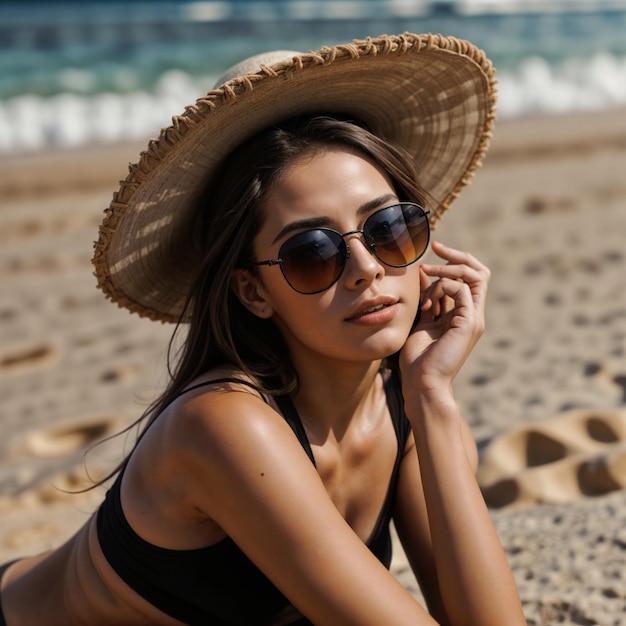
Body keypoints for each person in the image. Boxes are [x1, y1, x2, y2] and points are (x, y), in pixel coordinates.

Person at [0, 33, 526, 625]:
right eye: (312, 252)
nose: (367, 268)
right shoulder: (225, 426)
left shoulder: (401, 401)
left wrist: (433, 397)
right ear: (253, 291)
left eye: (389, 227)